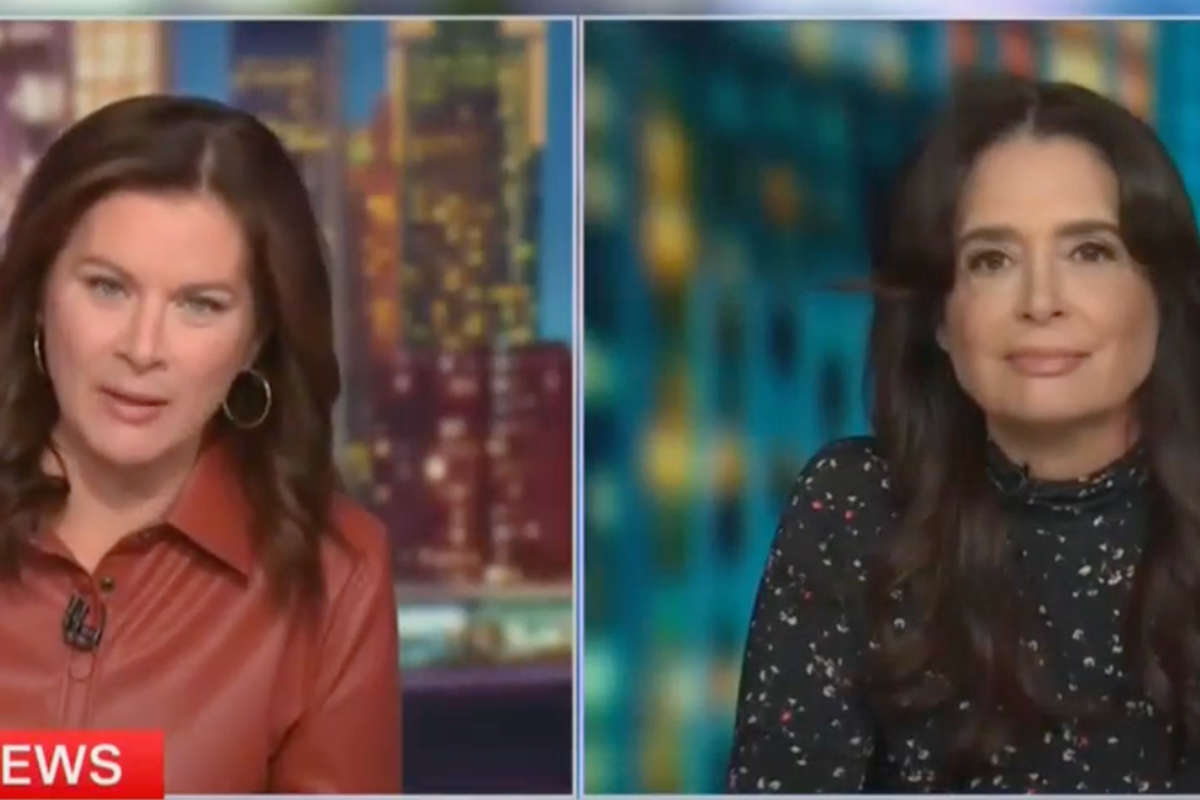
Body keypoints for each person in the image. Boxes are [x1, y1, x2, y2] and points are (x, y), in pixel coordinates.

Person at [727, 74, 1200, 793]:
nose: (1041, 302)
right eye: (992, 260)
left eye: (1089, 252)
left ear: (1161, 297)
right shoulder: (855, 507)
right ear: (942, 318)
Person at [0, 94, 402, 793]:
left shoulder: (333, 576)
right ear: (40, 293)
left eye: (200, 305)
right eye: (107, 288)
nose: (142, 348)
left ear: (256, 336)